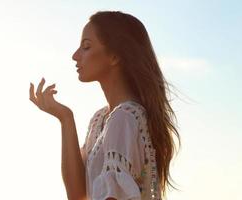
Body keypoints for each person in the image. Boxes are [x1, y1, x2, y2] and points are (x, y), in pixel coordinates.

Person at [29, 10, 180, 200]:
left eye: (86, 46)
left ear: (115, 56)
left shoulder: (123, 117)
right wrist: (65, 118)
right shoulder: (100, 119)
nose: (75, 55)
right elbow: (77, 194)